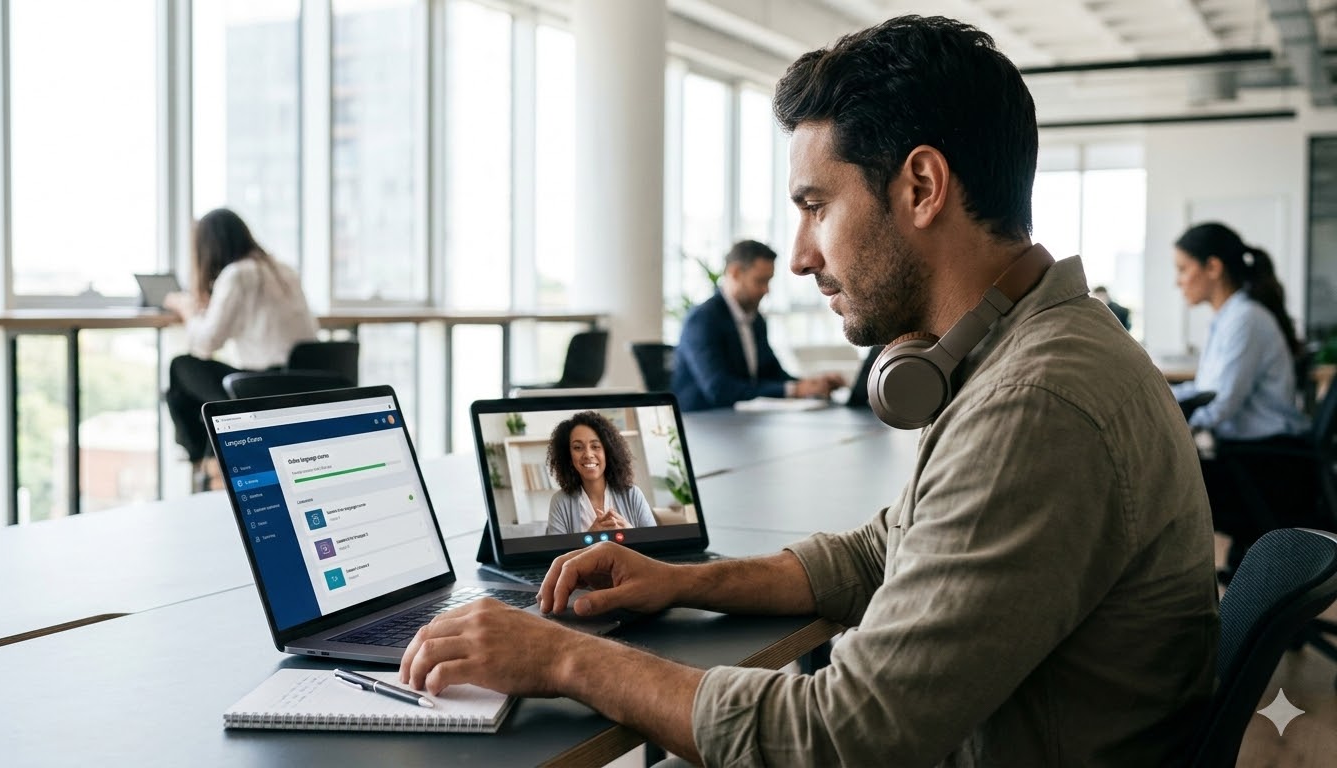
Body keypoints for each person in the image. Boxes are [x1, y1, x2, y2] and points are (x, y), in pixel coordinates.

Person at [398, 16, 1216, 766]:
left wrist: (563, 657)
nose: (798, 256)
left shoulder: (1034, 405)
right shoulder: (1026, 353)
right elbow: (879, 552)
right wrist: (681, 580)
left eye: (816, 207)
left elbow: (840, 735)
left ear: (922, 187)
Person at [1171, 221, 1311, 578]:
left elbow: (1220, 404)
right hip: (1253, 459)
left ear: (1213, 268)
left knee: (1160, 484)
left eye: (1184, 269)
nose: (1179, 281)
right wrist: (1161, 397)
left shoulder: (1245, 319)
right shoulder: (1230, 317)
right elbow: (1207, 389)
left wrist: (1166, 417)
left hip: (1265, 468)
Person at [163, 209, 319, 489]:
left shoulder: (237, 274)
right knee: (215, 393)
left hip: (263, 388)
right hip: (306, 383)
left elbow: (205, 345)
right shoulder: (282, 269)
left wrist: (187, 309)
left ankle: (203, 463)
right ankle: (214, 461)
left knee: (182, 367)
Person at [670, 240, 845, 411]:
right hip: (703, 422)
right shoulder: (702, 320)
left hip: (742, 421)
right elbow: (719, 389)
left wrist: (810, 385)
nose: (766, 290)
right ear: (735, 273)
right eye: (760, 281)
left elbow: (772, 373)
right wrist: (794, 390)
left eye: (768, 281)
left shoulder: (755, 319)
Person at [543, 411, 657, 536]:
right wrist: (590, 536)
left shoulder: (633, 494)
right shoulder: (560, 502)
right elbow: (558, 555)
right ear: (568, 456)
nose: (588, 454)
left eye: (595, 446)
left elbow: (655, 547)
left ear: (607, 452)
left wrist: (630, 532)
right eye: (578, 447)